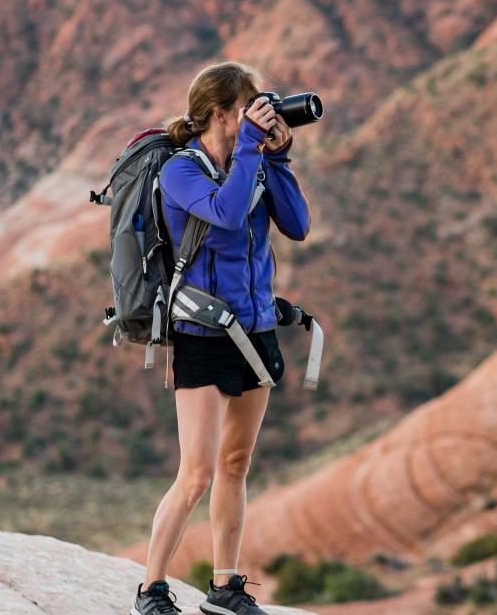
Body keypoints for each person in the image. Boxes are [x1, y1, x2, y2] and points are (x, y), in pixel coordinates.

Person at [132, 61, 310, 615]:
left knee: (236, 466)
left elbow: (299, 225)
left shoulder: (252, 162)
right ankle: (151, 589)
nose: (257, 115)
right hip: (203, 334)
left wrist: (276, 157)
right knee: (197, 474)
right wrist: (255, 151)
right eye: (246, 109)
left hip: (256, 331)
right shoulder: (181, 172)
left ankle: (225, 586)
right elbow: (228, 216)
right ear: (218, 115)